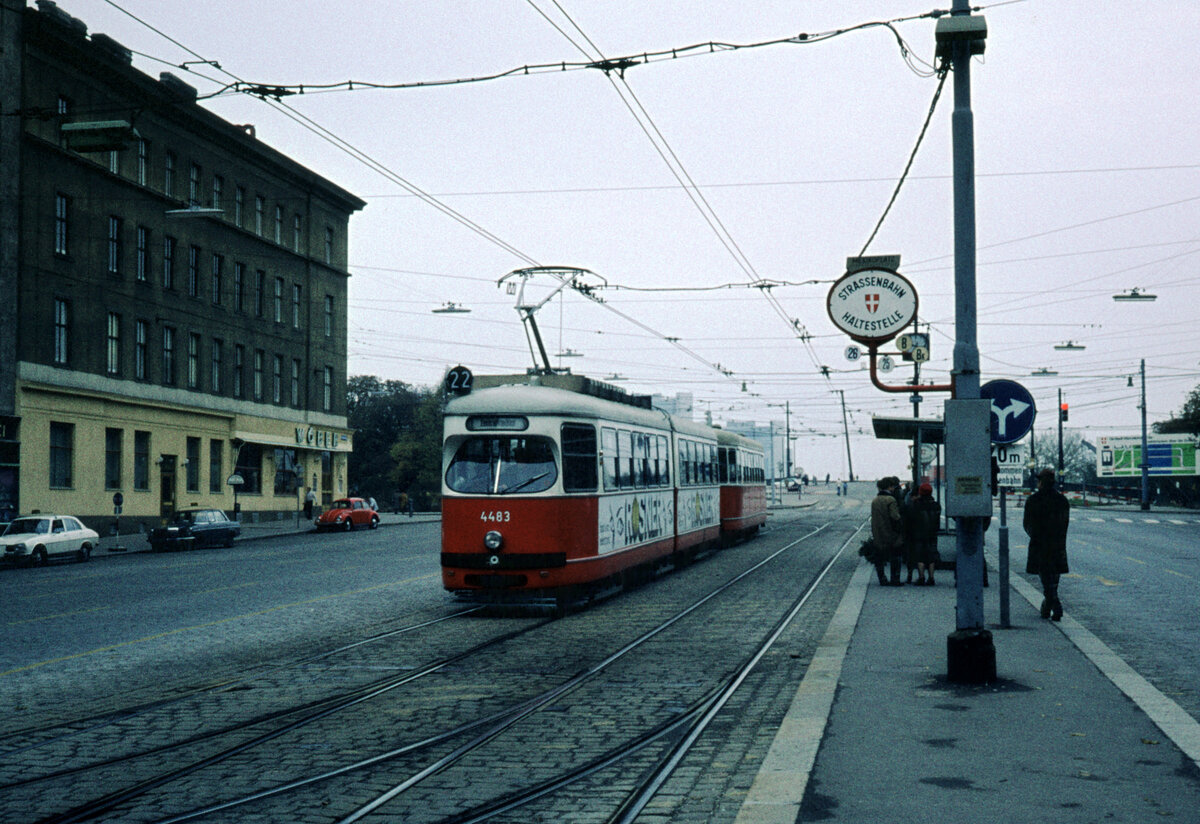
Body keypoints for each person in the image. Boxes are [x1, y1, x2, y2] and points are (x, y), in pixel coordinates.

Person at [1023, 468, 1071, 620]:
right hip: (1057, 545)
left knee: (1045, 578)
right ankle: (1050, 607)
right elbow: (1064, 523)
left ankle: (1054, 606)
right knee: (1054, 579)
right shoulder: (1062, 500)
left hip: (1040, 545)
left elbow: (1027, 524)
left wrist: (1036, 535)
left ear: (1041, 482)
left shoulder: (1033, 500)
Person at [903, 482, 941, 586]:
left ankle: (921, 577)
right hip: (932, 533)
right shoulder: (936, 505)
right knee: (931, 556)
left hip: (918, 533)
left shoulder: (915, 505)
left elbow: (910, 520)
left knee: (920, 556)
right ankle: (931, 577)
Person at [871, 476, 905, 586]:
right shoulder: (891, 500)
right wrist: (900, 528)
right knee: (896, 556)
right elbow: (895, 517)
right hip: (891, 533)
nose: (893, 488)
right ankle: (895, 579)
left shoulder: (875, 501)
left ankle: (882, 579)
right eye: (892, 486)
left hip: (878, 533)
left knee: (880, 558)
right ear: (889, 487)